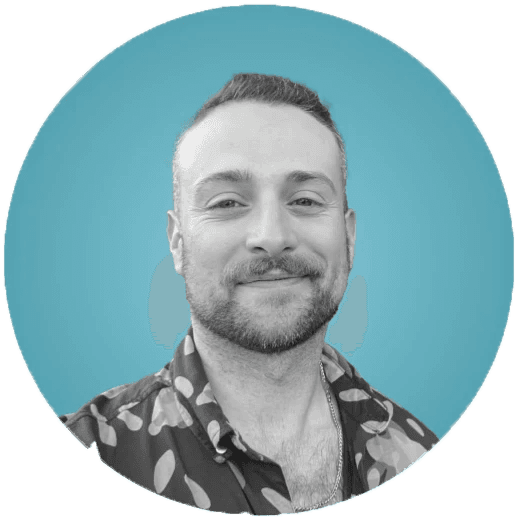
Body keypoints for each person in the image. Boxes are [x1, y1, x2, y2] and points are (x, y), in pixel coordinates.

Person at [60, 73, 438, 514]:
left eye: (305, 200)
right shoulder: (87, 457)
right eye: (227, 203)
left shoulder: (421, 455)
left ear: (349, 239)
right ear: (178, 242)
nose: (272, 236)